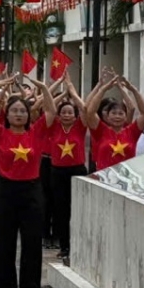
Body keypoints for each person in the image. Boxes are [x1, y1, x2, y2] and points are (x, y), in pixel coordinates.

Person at [0, 73, 54, 288]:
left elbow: (51, 112)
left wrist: (43, 88)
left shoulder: (36, 133)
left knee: (32, 241)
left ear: (29, 114)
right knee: (3, 241)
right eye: (14, 111)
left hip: (31, 191)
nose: (19, 114)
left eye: (22, 111)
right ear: (7, 115)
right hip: (5, 191)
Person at [48, 76, 87, 260]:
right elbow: (46, 106)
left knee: (78, 210)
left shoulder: (80, 127)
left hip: (77, 171)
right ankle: (64, 246)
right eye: (63, 112)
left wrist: (72, 91)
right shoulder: (54, 127)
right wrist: (62, 93)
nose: (67, 115)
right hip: (57, 172)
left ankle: (79, 245)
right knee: (61, 211)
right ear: (59, 115)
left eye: (70, 112)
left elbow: (85, 108)